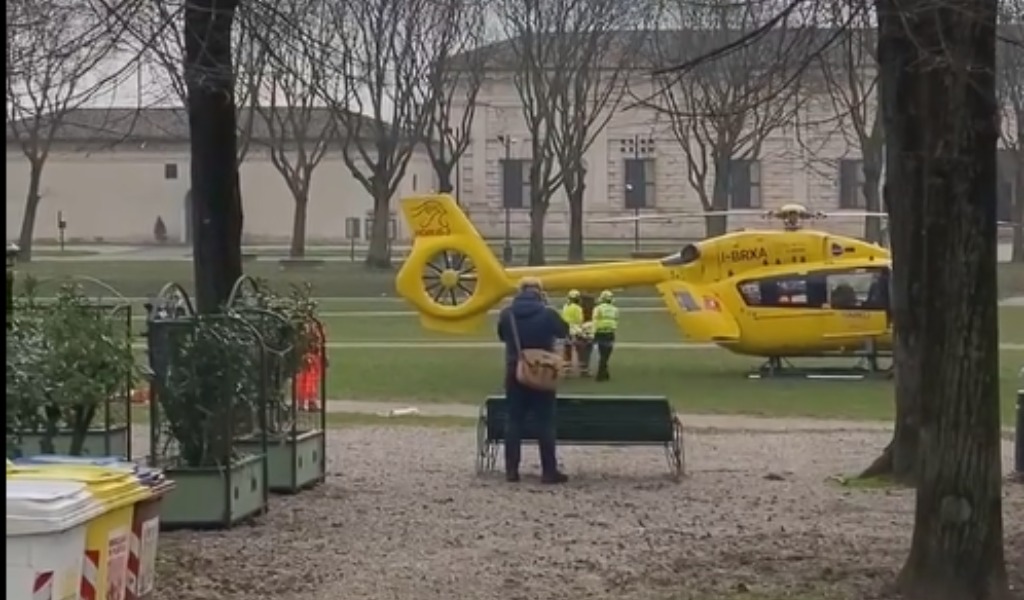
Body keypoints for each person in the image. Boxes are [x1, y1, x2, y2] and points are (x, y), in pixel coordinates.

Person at [496, 277, 570, 484]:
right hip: (543, 371)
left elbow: (502, 337)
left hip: (516, 370)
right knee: (545, 421)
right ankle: (548, 470)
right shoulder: (547, 313)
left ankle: (512, 469)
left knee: (514, 420)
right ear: (540, 292)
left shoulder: (507, 314)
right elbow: (564, 331)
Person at [593, 289, 619, 382]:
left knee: (602, 354)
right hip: (610, 333)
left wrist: (593, 333)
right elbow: (616, 320)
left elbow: (595, 321)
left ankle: (603, 373)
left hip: (600, 333)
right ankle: (602, 374)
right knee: (606, 354)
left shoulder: (598, 308)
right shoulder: (615, 309)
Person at [560, 290, 585, 371]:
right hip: (576, 329)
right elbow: (580, 319)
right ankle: (583, 368)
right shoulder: (578, 308)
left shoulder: (565, 306)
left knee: (567, 349)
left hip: (566, 329)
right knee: (580, 349)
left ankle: (567, 367)